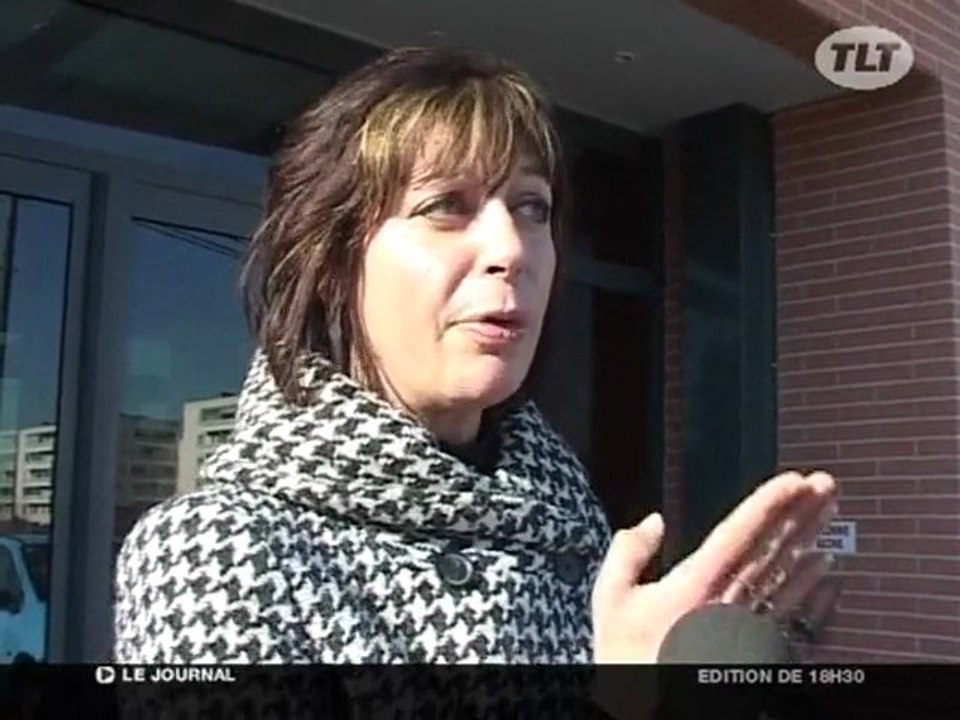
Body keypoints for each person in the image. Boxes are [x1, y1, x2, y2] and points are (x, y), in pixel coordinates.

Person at [113, 45, 837, 672]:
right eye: (444, 206)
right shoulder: (216, 550)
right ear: (333, 263)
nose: (512, 250)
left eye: (533, 208)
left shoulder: (572, 533)